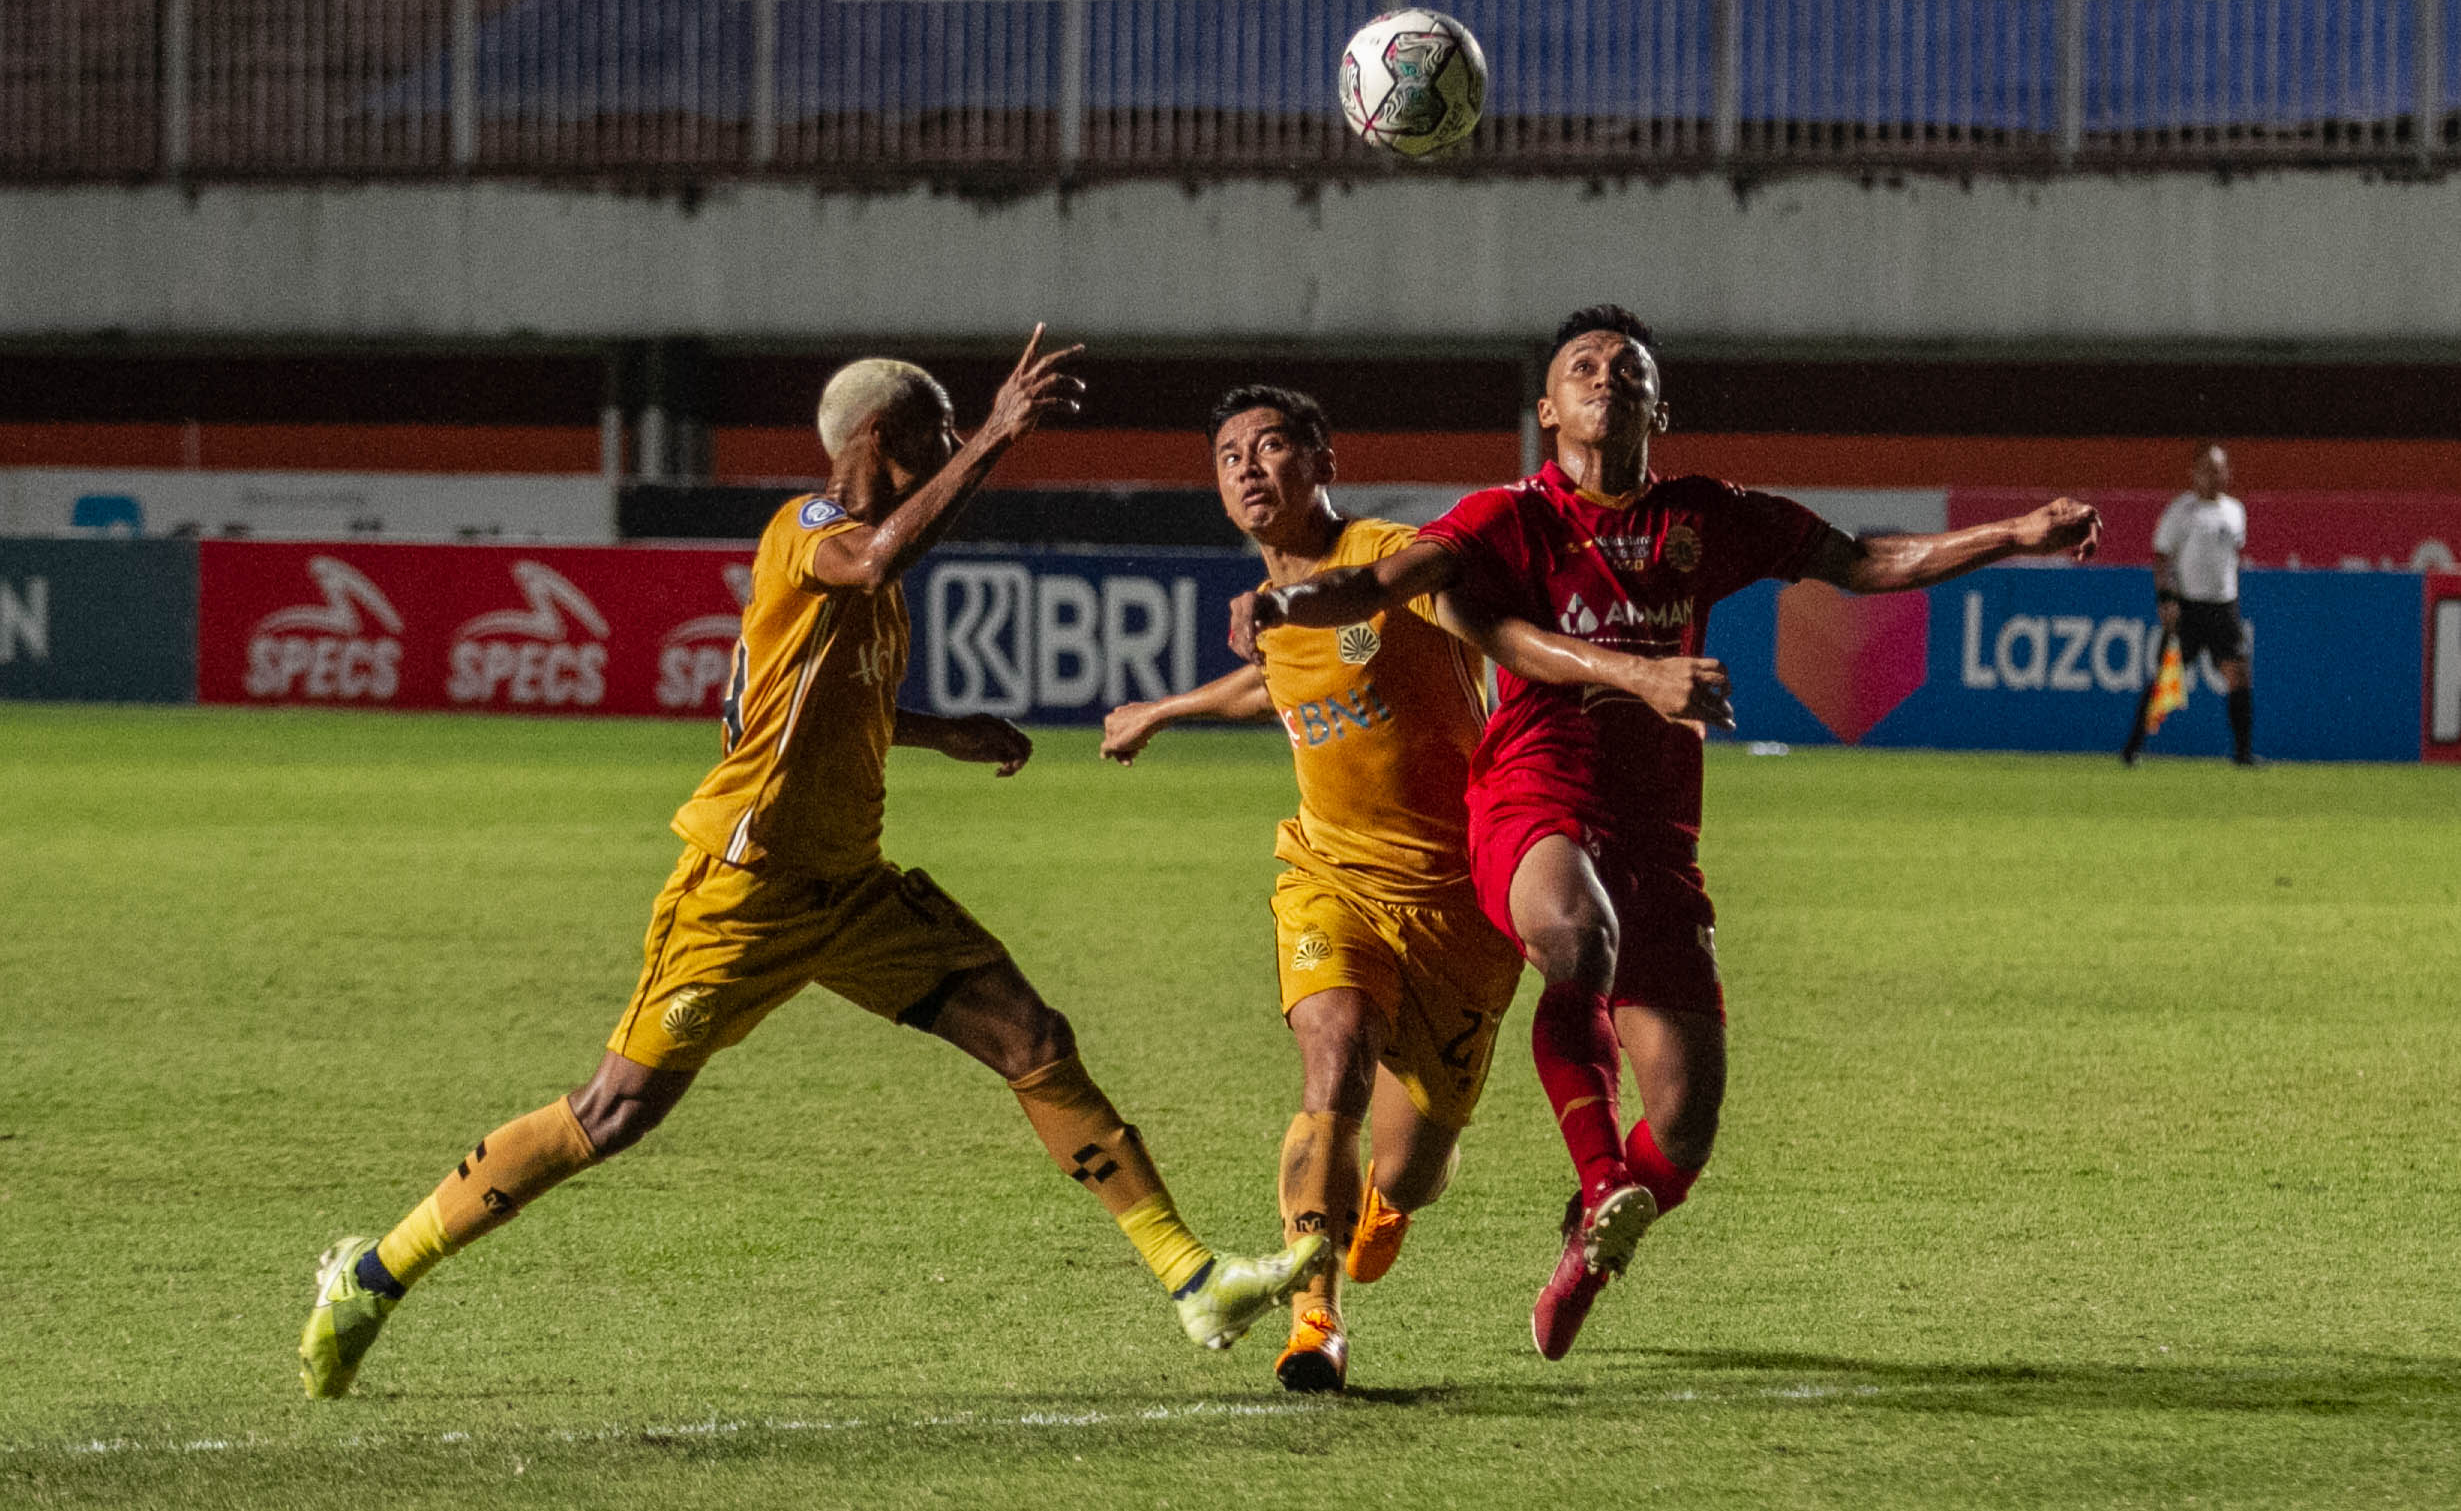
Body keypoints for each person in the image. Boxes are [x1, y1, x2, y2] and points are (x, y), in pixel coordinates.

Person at [299, 330, 1326, 1400]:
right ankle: (370, 1278)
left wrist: (943, 731)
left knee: (1031, 1036)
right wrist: (998, 436)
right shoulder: (810, 529)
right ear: (881, 436)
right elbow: (876, 558)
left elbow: (806, 707)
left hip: (850, 887)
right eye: (934, 434)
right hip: (745, 891)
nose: (946, 452)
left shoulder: (859, 569)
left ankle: (1189, 1276)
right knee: (613, 1113)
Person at [1231, 305, 2101, 1360]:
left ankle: (1585, 1244)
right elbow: (1377, 582)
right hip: (1533, 787)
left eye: (1626, 366)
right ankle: (1593, 1181)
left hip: (1657, 826)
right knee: (1569, 937)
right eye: (1583, 366)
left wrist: (2008, 535)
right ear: (1546, 408)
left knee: (1685, 1125)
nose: (1607, 375)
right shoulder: (1507, 519)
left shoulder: (1706, 516)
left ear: (1658, 403)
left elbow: (1863, 561)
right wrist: (1290, 603)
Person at [1100, 386, 1729, 1392]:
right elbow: (1280, 677)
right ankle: (1315, 1321)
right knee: (1333, 1058)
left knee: (1409, 1171)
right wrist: (1167, 710)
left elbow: (1506, 634)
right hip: (1331, 875)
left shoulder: (1398, 557)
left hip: (1462, 906)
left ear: (1324, 460)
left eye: (1272, 447)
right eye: (1229, 456)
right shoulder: (1274, 606)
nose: (1250, 469)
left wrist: (1632, 680)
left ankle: (1383, 1201)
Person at [2123, 444, 2255, 766]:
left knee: (2238, 675)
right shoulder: (2182, 511)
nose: (2215, 475)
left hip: (2223, 608)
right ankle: (2132, 748)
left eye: (2220, 468)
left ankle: (2242, 754)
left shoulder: (2235, 511)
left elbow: (2231, 557)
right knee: (2164, 677)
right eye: (2209, 468)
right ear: (2195, 473)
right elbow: (2162, 559)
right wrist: (2166, 598)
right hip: (2189, 609)